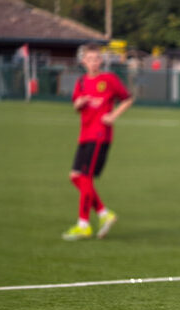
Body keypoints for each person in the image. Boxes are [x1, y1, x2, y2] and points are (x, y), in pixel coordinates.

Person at [63, 43, 133, 240]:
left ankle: (83, 224)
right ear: (83, 61)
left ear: (101, 61)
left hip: (100, 135)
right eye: (89, 59)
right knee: (75, 176)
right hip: (84, 135)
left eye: (96, 59)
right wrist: (80, 103)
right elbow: (76, 104)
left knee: (85, 177)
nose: (93, 62)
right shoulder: (82, 82)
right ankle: (103, 213)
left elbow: (127, 99)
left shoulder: (109, 79)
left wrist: (113, 116)